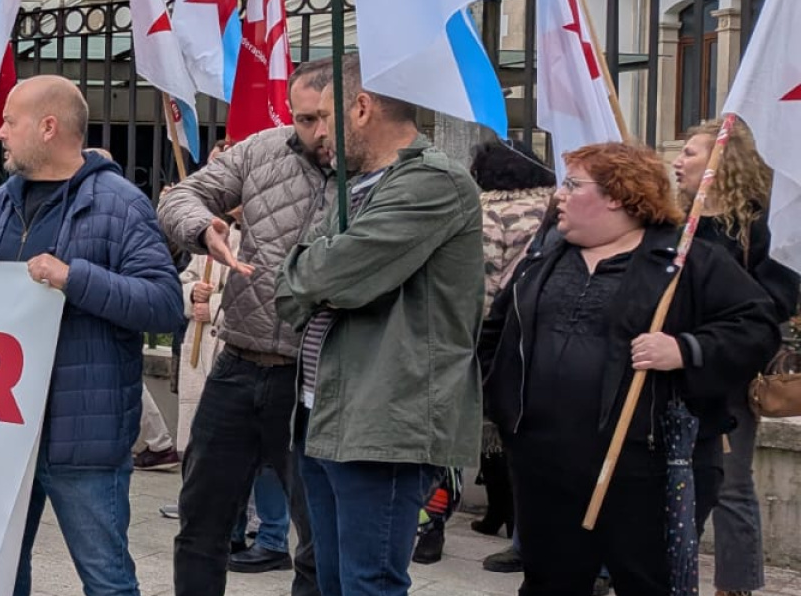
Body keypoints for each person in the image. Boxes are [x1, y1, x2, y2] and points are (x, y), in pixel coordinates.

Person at [480, 141, 781, 596]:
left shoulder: (685, 261)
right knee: (548, 583)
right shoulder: (543, 258)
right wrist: (501, 406)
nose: (559, 195)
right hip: (543, 463)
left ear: (617, 197)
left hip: (644, 466)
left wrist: (686, 349)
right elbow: (497, 333)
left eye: (573, 184)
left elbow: (757, 328)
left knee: (646, 583)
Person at [274, 55, 484, 596]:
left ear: (362, 108)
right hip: (325, 412)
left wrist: (315, 272)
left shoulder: (434, 181)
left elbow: (339, 276)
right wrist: (313, 272)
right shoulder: (357, 185)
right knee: (328, 578)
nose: (317, 133)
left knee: (369, 584)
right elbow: (290, 287)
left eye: (325, 116)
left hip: (384, 419)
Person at [0, 76, 183, 596]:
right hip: (7, 430)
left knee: (107, 580)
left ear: (48, 127)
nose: (0, 133)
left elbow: (164, 302)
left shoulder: (119, 203)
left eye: (10, 122)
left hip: (82, 435)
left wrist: (74, 278)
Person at [157, 59, 333, 591]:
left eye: (325, 118)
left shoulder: (374, 172)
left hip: (315, 377)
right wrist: (202, 228)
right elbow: (181, 196)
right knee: (201, 522)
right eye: (304, 118)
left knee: (320, 538)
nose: (316, 132)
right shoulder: (263, 149)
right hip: (237, 363)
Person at [673, 121, 800, 596]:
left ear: (722, 163)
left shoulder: (758, 227)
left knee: (730, 483)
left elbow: (777, 299)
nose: (677, 161)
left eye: (689, 153)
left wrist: (720, 303)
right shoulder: (674, 221)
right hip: (672, 364)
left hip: (728, 372)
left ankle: (735, 585)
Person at [460, 139, 557, 571]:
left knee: (500, 431)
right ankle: (511, 521)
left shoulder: (490, 212)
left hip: (505, 333)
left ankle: (514, 524)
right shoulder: (555, 204)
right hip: (550, 334)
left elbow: (483, 283)